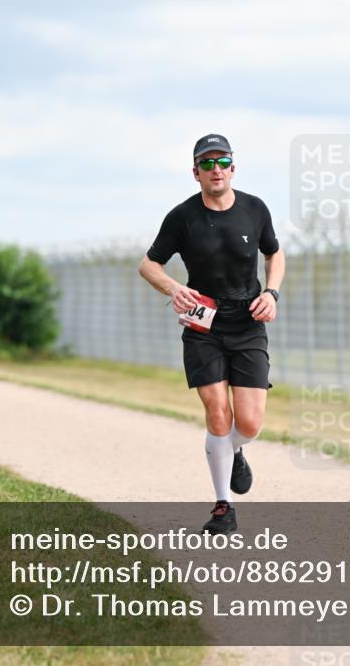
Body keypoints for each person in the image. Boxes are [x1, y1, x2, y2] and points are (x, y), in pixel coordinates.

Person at [138, 134, 285, 535]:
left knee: (250, 424)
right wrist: (173, 288)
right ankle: (224, 506)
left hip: (248, 321)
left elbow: (274, 252)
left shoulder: (255, 209)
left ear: (233, 168)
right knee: (218, 412)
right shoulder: (182, 217)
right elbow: (149, 265)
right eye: (207, 163)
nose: (215, 169)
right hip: (204, 325)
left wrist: (271, 293)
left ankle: (234, 448)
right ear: (195, 172)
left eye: (222, 161)